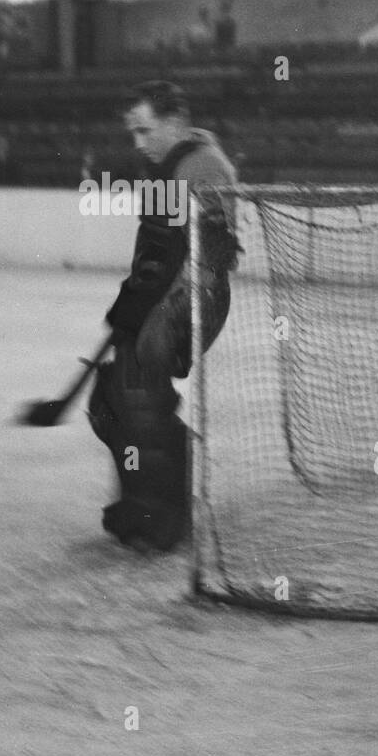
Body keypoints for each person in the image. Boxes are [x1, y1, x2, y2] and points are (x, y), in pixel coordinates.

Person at [87, 82, 239, 552]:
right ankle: (144, 504)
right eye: (132, 131)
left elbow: (210, 258)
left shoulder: (203, 166)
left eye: (144, 130)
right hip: (162, 296)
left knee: (137, 397)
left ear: (174, 122)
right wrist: (130, 309)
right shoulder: (163, 164)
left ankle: (161, 519)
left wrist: (164, 317)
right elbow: (156, 250)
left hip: (197, 297)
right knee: (111, 403)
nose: (138, 143)